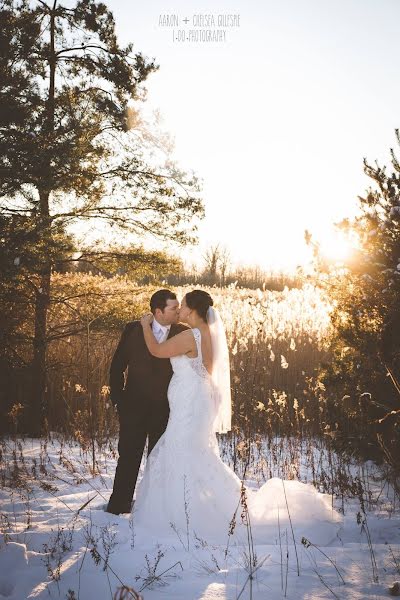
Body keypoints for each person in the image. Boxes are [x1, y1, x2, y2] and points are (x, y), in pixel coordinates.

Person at [131, 290, 342, 547]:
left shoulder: (190, 336)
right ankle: (200, 506)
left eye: (183, 306)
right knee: (193, 453)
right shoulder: (208, 335)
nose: (180, 310)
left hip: (190, 404)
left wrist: (144, 324)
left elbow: (155, 350)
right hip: (197, 401)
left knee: (183, 452)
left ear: (193, 310)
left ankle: (189, 514)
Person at [106, 289, 188, 515]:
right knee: (128, 458)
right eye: (174, 308)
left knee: (159, 462)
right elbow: (117, 367)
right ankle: (118, 506)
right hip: (133, 408)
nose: (178, 311)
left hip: (165, 411)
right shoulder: (133, 329)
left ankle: (153, 510)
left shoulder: (184, 333)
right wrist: (118, 400)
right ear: (158, 311)